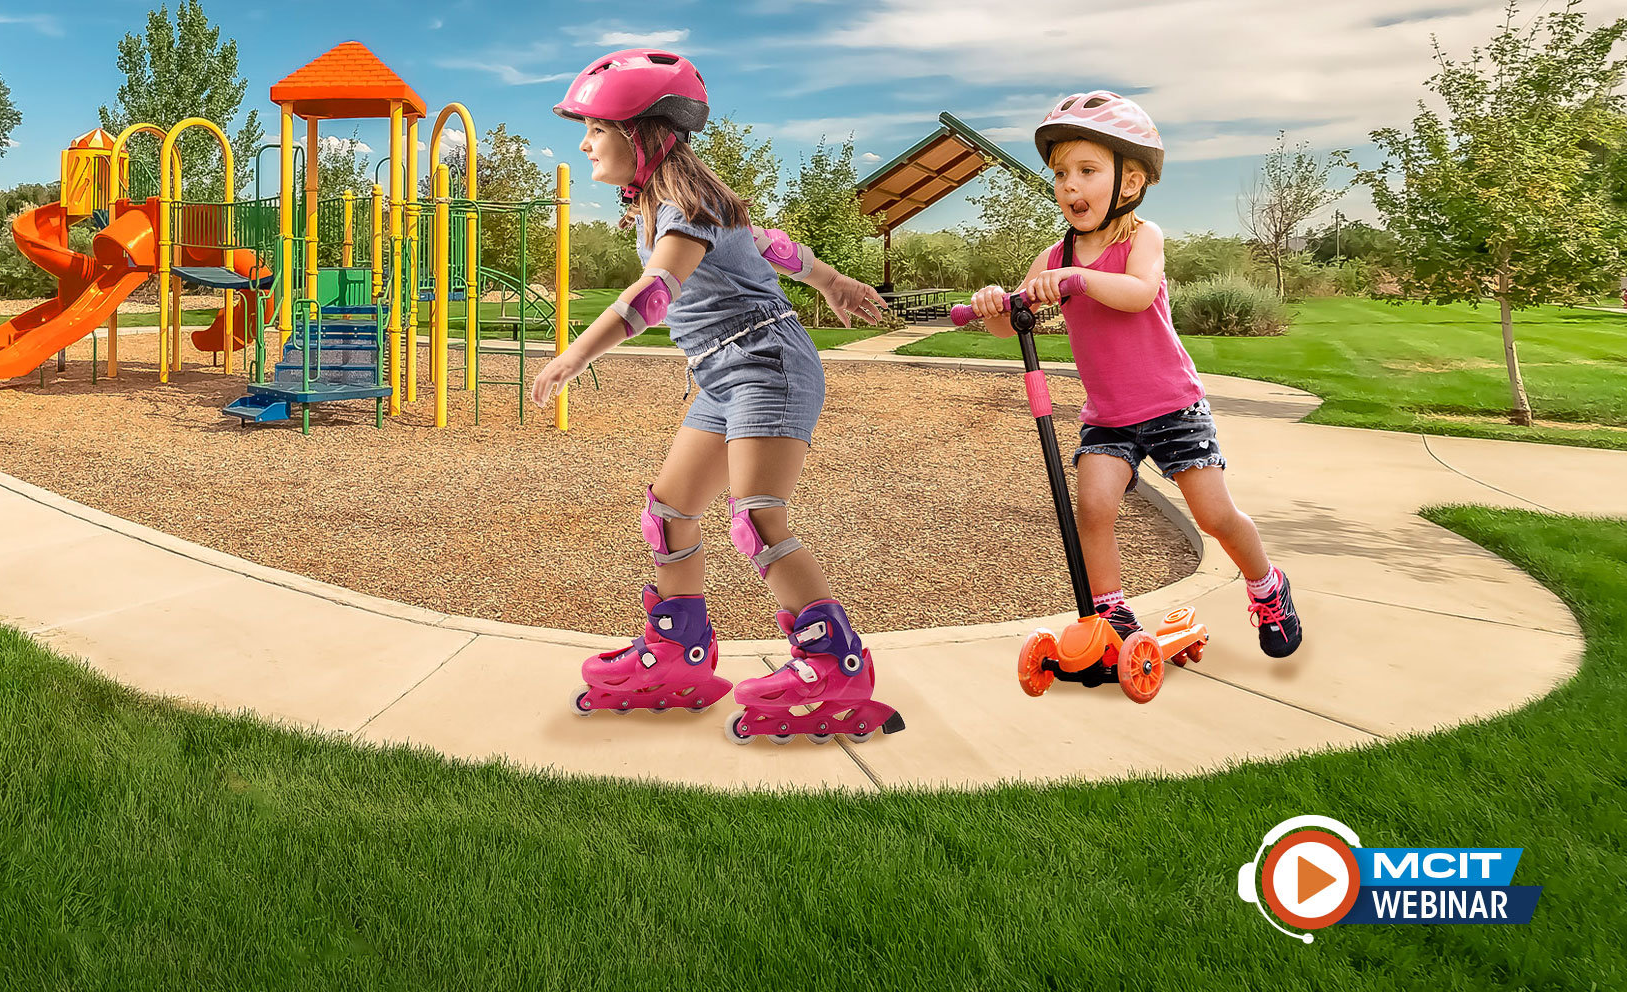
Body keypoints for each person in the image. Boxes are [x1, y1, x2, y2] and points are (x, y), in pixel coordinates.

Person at [534, 49, 905, 742]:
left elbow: (654, 296)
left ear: (641, 134)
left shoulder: (683, 206)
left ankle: (834, 664)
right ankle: (680, 653)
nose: (585, 144)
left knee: (756, 517)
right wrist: (829, 281)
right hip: (719, 369)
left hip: (767, 360)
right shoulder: (676, 204)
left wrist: (575, 355)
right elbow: (767, 243)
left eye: (596, 130)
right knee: (668, 512)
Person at [967, 91, 1303, 658]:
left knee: (1214, 514)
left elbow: (1138, 292)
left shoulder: (1141, 238)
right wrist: (997, 305)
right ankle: (1111, 616)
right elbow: (1012, 325)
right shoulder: (1054, 256)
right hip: (1109, 416)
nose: (1069, 185)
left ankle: (1268, 586)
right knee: (1092, 508)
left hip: (1172, 405)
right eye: (1060, 174)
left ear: (1129, 182)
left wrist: (1079, 279)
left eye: (1087, 171)